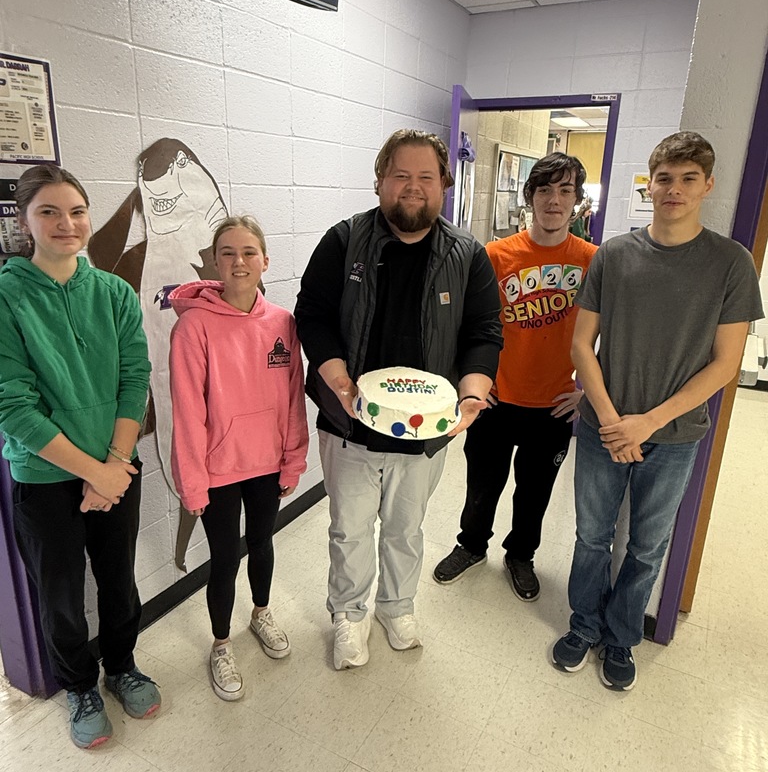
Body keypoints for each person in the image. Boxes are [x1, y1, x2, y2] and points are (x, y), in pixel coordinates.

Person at [552, 131, 763, 691]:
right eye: (664, 178)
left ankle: (622, 638)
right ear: (651, 184)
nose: (674, 189)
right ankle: (583, 626)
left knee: (646, 545)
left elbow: (725, 365)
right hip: (602, 426)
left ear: (707, 185)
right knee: (593, 536)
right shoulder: (616, 254)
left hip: (674, 437)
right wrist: (613, 419)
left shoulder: (730, 263)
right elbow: (581, 346)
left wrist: (645, 423)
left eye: (688, 178)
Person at [295, 129, 502, 671]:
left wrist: (475, 391)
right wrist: (335, 373)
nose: (413, 188)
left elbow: (485, 330)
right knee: (350, 528)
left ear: (444, 185)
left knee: (407, 527)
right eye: (401, 176)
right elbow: (311, 313)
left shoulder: (469, 256)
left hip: (426, 427)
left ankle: (396, 606)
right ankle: (349, 612)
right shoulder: (344, 242)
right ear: (380, 180)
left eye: (425, 178)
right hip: (350, 423)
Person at [0, 164, 160, 749]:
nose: (66, 224)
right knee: (61, 595)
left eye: (76, 211)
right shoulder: (6, 298)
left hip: (116, 468)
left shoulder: (113, 292)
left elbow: (134, 378)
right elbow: (12, 406)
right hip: (46, 479)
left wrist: (115, 464)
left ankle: (121, 667)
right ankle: (79, 685)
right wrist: (97, 473)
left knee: (119, 583)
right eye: (49, 211)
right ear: (26, 222)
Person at [433, 153, 597, 599]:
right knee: (482, 486)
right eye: (545, 189)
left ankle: (521, 555)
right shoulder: (495, 254)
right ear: (530, 197)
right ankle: (470, 545)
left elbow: (612, 335)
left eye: (566, 191)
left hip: (554, 405)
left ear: (577, 201)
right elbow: (467, 327)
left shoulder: (593, 260)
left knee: (535, 493)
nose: (554, 200)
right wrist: (472, 384)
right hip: (497, 400)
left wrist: (585, 395)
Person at [169, 216, 308, 701]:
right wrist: (193, 483)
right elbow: (187, 413)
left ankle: (262, 613)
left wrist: (293, 459)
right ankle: (221, 643)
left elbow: (292, 399)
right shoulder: (193, 328)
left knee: (263, 544)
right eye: (227, 252)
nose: (239, 262)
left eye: (249, 252)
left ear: (265, 261)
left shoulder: (282, 324)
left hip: (267, 463)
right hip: (219, 469)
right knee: (226, 559)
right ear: (215, 262)